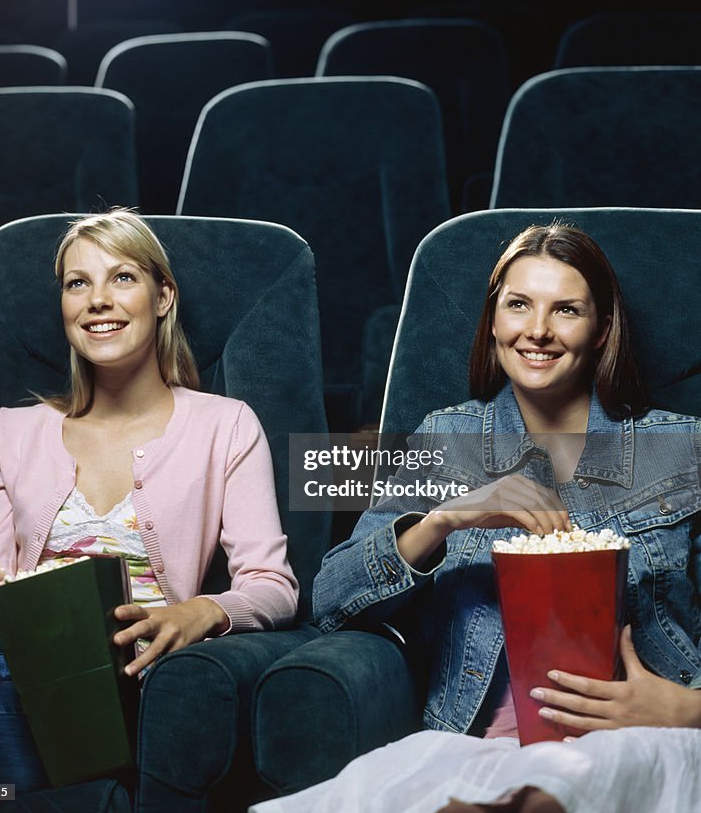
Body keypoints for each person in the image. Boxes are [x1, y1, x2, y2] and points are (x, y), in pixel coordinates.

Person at [252, 223, 701, 813]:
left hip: (647, 736)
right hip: (477, 744)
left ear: (601, 330)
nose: (537, 330)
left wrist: (687, 709)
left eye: (566, 310)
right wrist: (444, 519)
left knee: (547, 797)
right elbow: (331, 600)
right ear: (493, 322)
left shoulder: (684, 446)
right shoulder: (448, 436)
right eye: (519, 305)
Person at [0, 208, 298, 805]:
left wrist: (198, 612)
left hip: (137, 689)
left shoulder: (225, 425)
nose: (97, 300)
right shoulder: (8, 432)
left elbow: (274, 585)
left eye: (123, 278)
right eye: (78, 284)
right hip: (17, 687)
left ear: (163, 297)